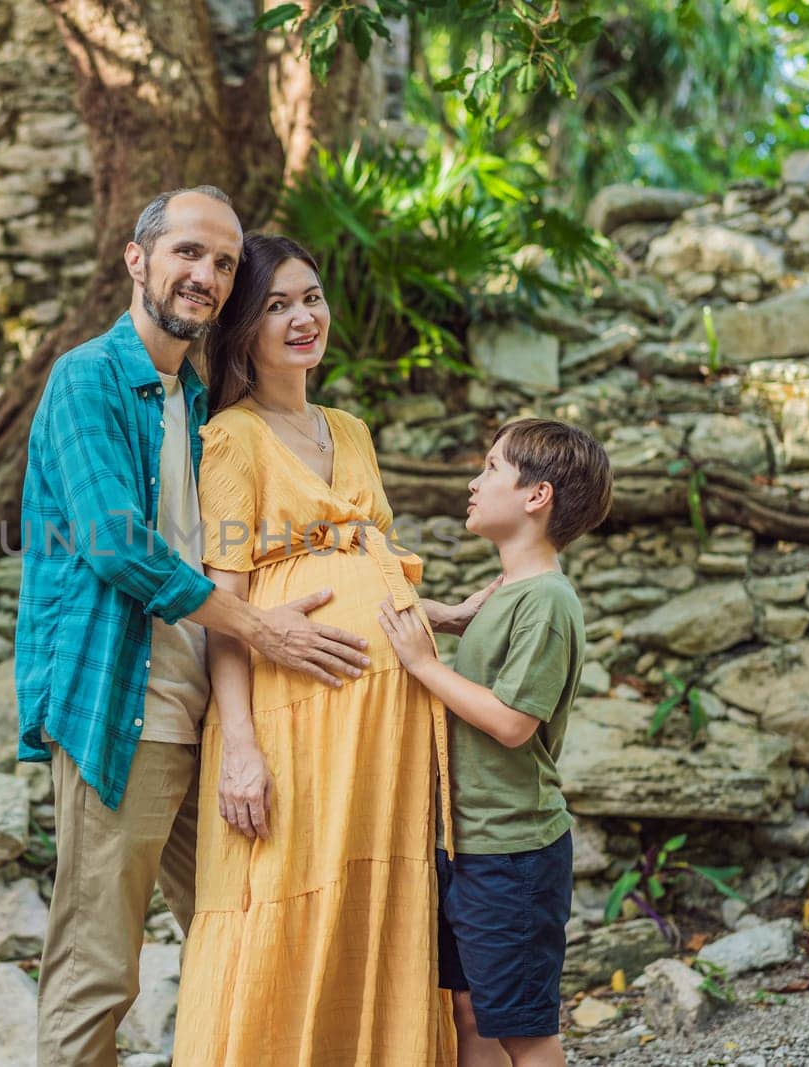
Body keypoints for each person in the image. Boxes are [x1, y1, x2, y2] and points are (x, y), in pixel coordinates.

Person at [16, 188, 375, 1067]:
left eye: (221, 262)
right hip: (121, 710)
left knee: (244, 933)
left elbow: (267, 544)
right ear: (137, 260)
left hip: (208, 723)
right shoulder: (89, 378)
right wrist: (261, 629)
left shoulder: (202, 405)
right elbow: (114, 547)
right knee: (98, 968)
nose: (205, 275)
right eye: (187, 252)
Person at [172, 232, 496, 1065]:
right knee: (285, 899)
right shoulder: (232, 438)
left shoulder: (349, 429)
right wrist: (238, 745)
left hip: (390, 721)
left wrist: (436, 610)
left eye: (309, 297)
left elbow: (365, 559)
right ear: (242, 327)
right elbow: (227, 605)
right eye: (276, 305)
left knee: (380, 898)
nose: (301, 317)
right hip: (291, 720)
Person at [378, 417, 614, 1067]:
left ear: (536, 496)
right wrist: (443, 616)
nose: (474, 482)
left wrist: (428, 666)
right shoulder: (508, 592)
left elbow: (513, 722)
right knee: (469, 1014)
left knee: (524, 1030)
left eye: (491, 468)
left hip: (513, 851)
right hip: (467, 842)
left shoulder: (547, 600)